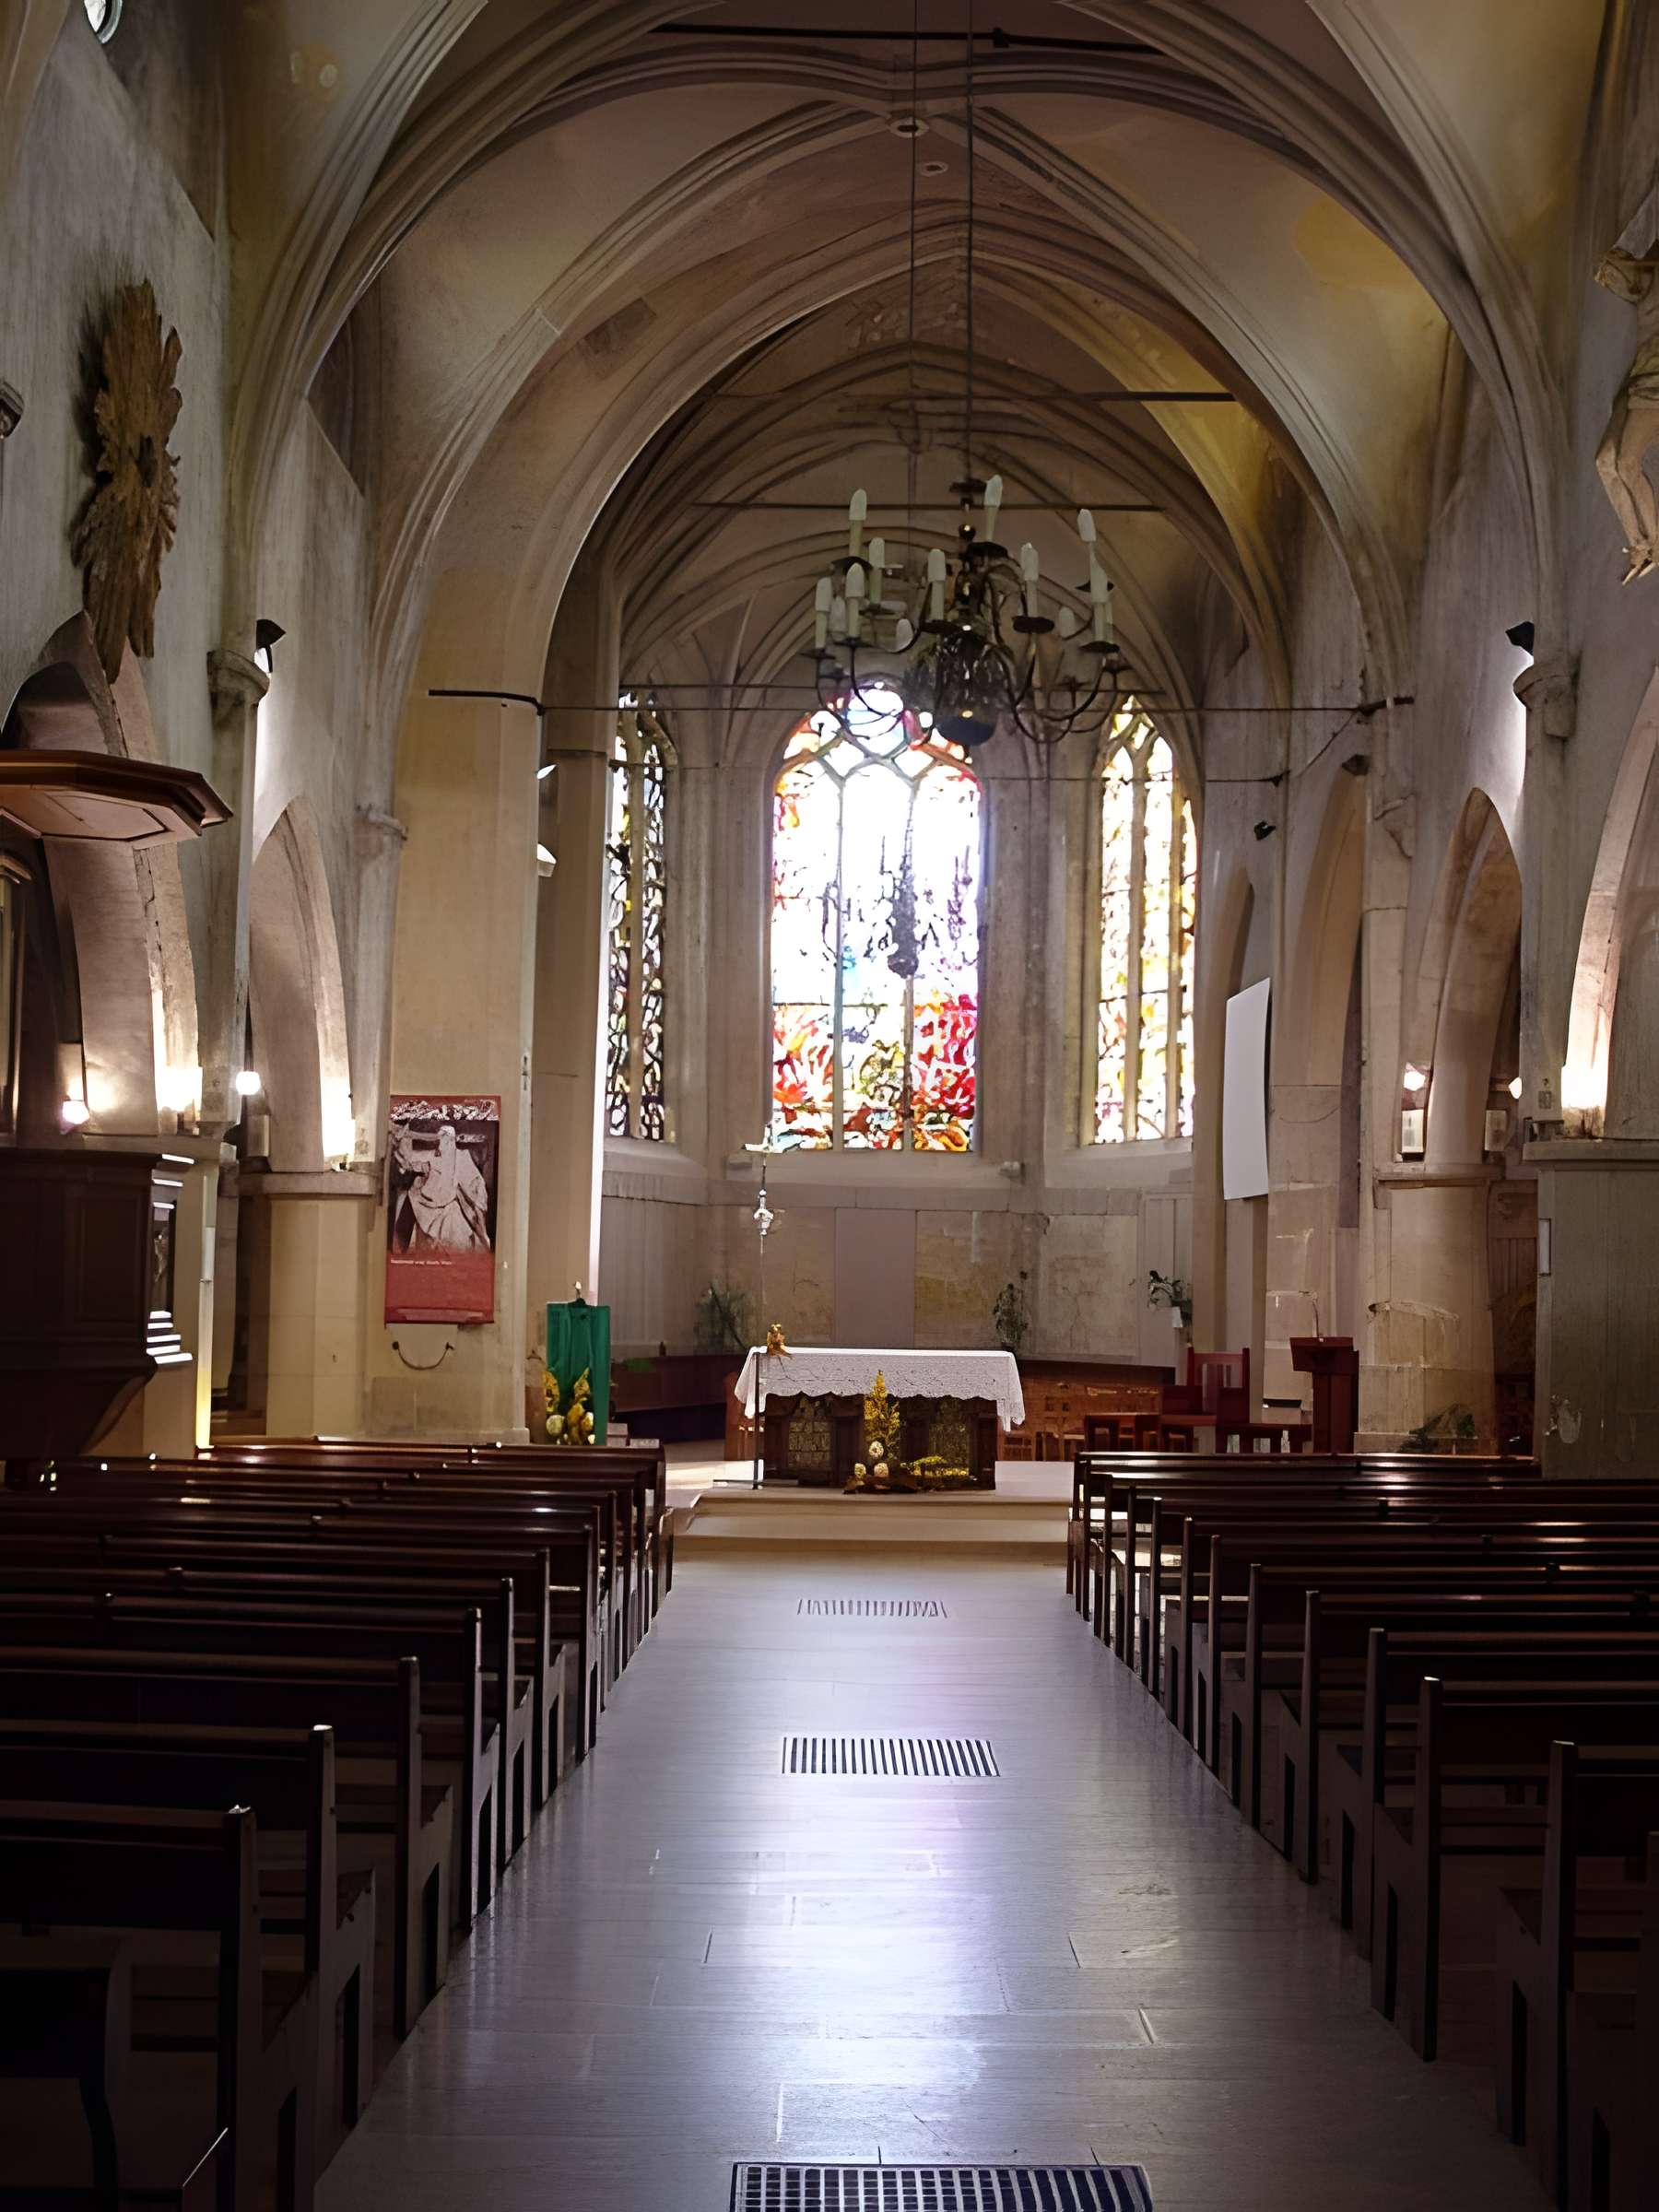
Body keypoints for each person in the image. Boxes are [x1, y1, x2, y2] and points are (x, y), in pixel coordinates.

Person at [1594, 245, 1659, 582]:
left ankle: (1656, 542)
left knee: (1627, 464)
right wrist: (1609, 264)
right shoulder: (1649, 272)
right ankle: (1639, 544)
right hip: (1636, 380)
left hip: (1655, 388)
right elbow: (1614, 274)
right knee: (1605, 462)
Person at [393, 1121, 491, 1251]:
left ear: (450, 1140)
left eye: (444, 1138)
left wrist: (476, 1198)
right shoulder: (433, 1156)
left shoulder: (461, 1156)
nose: (441, 1142)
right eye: (440, 1138)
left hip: (451, 1207)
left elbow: (474, 1180)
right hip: (428, 1203)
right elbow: (414, 1162)